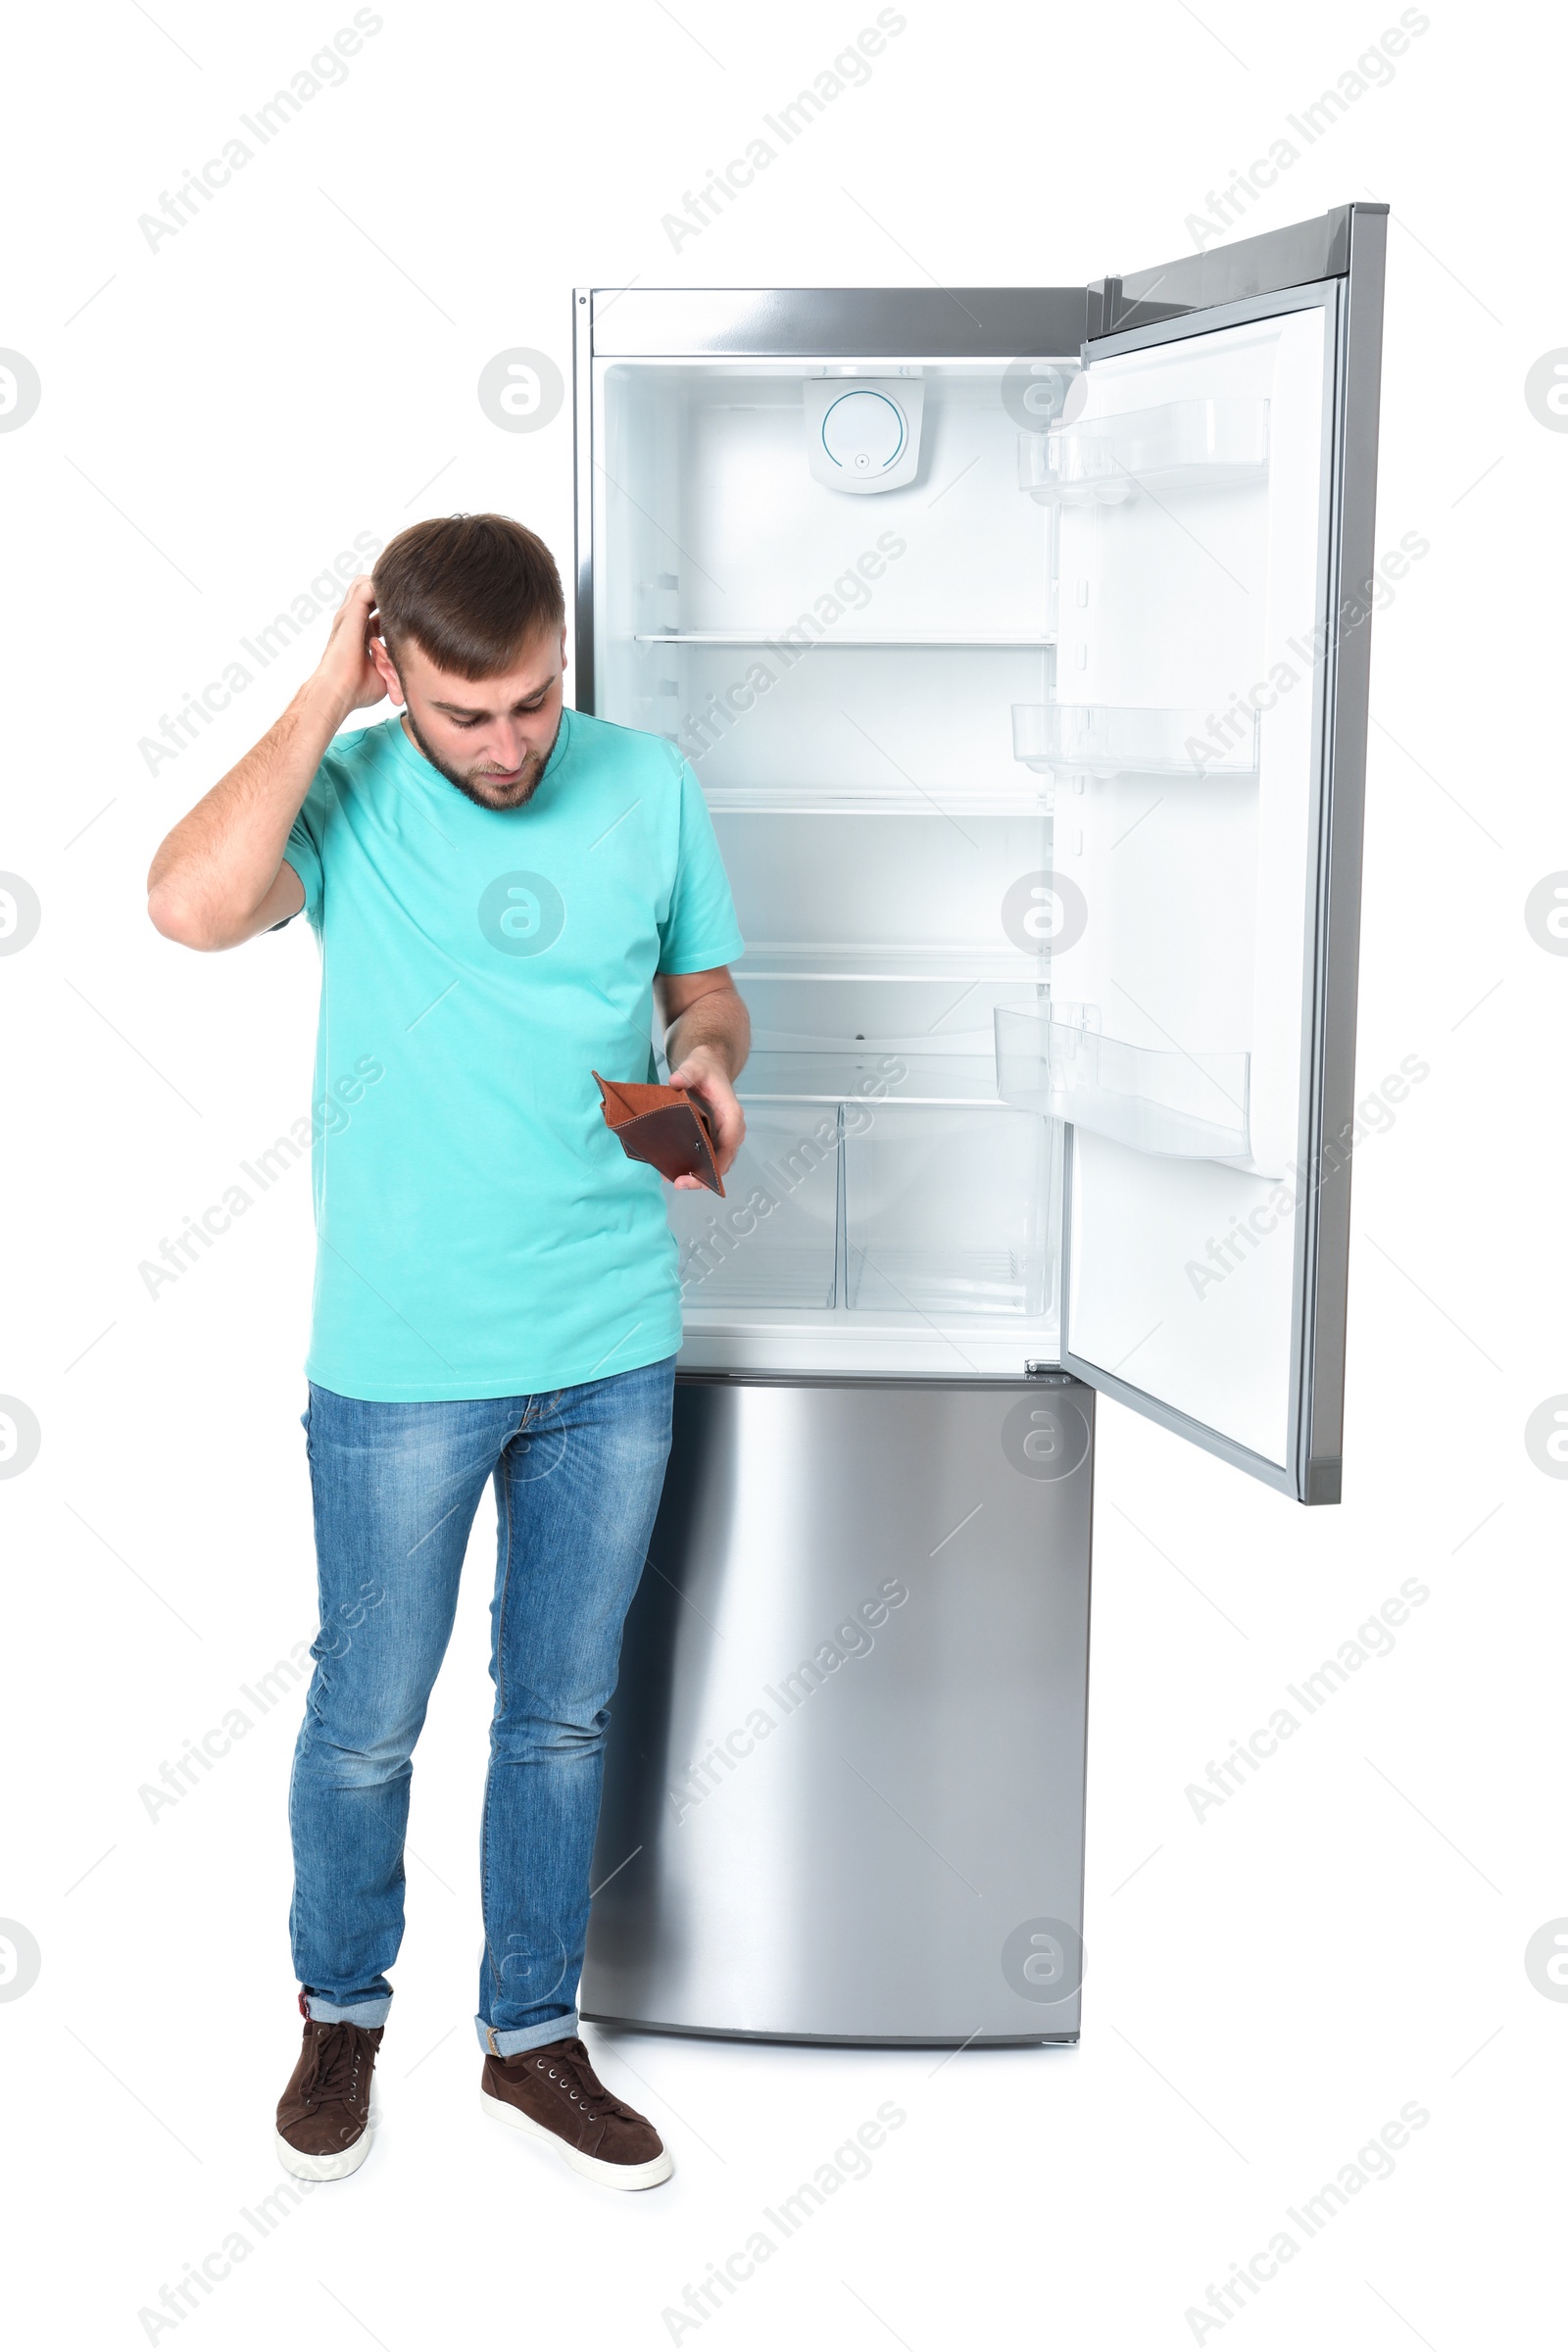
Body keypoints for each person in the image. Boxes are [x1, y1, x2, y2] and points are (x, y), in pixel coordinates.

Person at [146, 514, 749, 2190]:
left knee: (557, 1717)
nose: (508, 748)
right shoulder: (346, 797)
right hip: (404, 1356)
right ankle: (341, 2015)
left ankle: (531, 2041)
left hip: (612, 1337)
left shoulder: (647, 784)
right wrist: (320, 698)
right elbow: (187, 910)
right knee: (367, 1720)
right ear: (391, 671)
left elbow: (706, 988)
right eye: (467, 714)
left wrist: (704, 1053)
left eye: (536, 705)